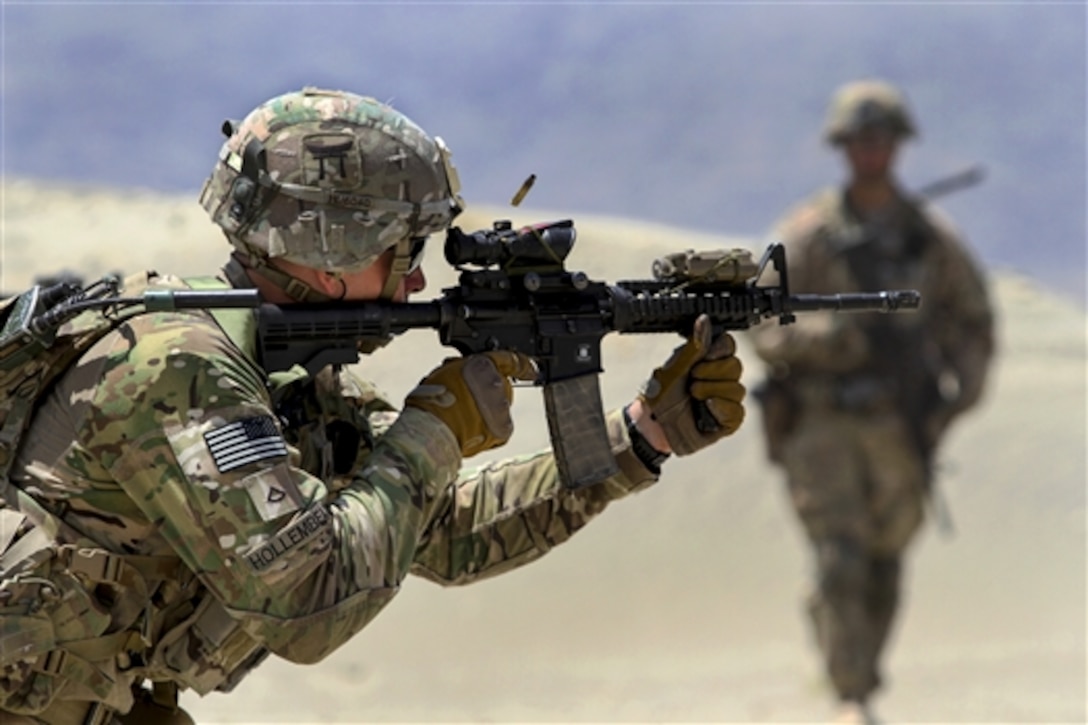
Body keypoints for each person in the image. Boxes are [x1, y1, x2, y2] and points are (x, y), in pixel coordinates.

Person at [0, 87, 746, 724]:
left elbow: (442, 533)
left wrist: (643, 437)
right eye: (405, 251)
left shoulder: (285, 376)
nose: (417, 283)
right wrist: (436, 429)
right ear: (335, 248)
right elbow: (310, 602)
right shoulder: (176, 366)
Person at [748, 79, 995, 725]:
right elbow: (762, 319)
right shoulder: (810, 233)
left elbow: (974, 323)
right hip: (822, 422)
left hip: (898, 423)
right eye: (859, 141)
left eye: (881, 139)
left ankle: (863, 678)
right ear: (842, 147)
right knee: (839, 556)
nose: (871, 152)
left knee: (885, 560)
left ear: (898, 145)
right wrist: (833, 338)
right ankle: (848, 693)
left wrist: (952, 400)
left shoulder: (929, 239)